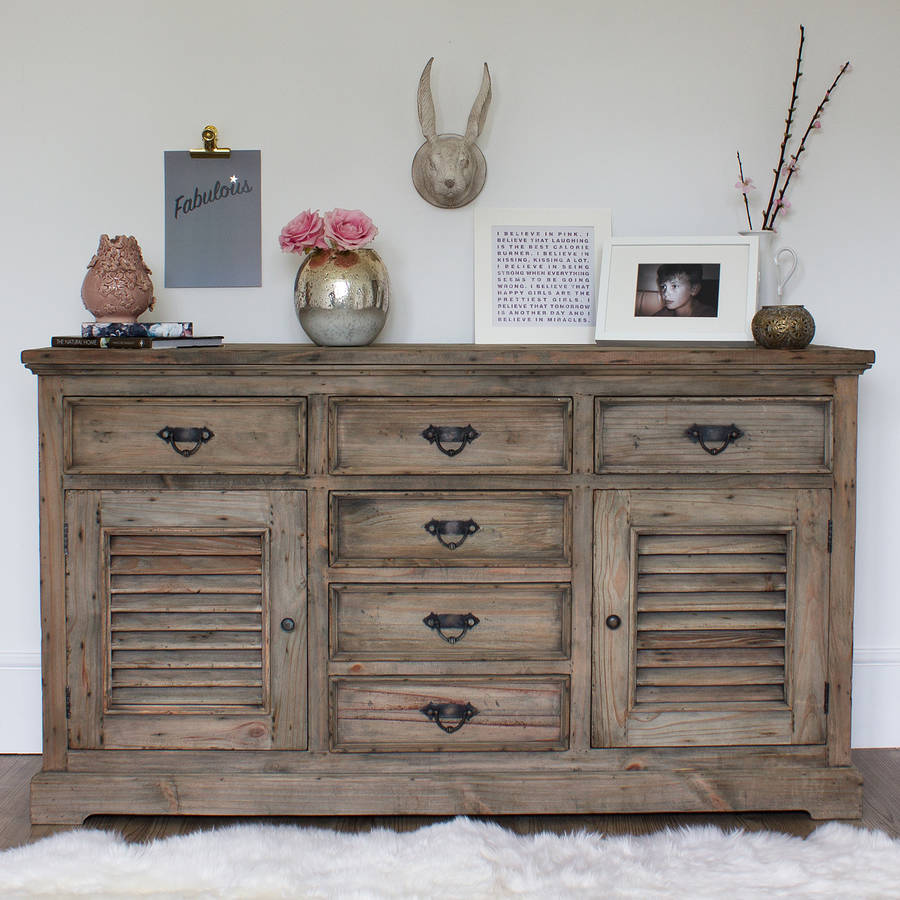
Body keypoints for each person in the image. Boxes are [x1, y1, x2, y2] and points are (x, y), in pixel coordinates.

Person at [653, 264, 717, 317]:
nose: (665, 294)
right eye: (663, 286)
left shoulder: (709, 315)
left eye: (674, 286)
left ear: (693, 289)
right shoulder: (661, 315)